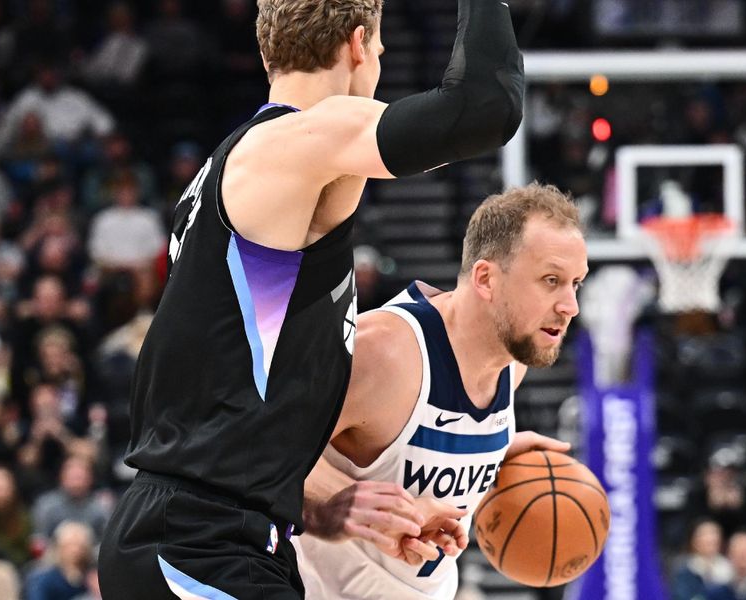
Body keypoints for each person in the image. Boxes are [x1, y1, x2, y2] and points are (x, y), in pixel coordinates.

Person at [98, 0, 524, 597]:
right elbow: (484, 107)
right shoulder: (288, 146)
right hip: (197, 542)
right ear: (357, 45)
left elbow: (238, 403)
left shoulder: (277, 174)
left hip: (230, 539)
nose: (378, 66)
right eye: (379, 51)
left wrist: (331, 505)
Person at [293, 183, 586, 599]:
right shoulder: (384, 352)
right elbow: (248, 445)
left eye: (576, 283)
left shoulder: (511, 364)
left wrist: (493, 452)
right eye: (551, 280)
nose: (570, 305)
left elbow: (403, 448)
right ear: (485, 278)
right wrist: (331, 497)